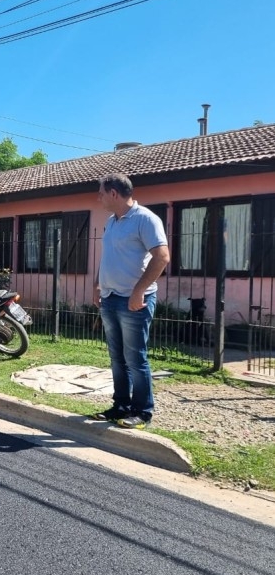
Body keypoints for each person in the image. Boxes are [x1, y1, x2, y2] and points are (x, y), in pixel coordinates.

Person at [92, 173, 170, 429]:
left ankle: (142, 411)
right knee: (117, 358)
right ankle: (121, 406)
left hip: (134, 302)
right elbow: (108, 257)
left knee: (136, 358)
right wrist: (97, 285)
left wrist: (139, 291)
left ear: (113, 193)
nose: (99, 197)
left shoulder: (145, 219)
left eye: (101, 193)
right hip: (110, 298)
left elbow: (162, 257)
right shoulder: (112, 222)